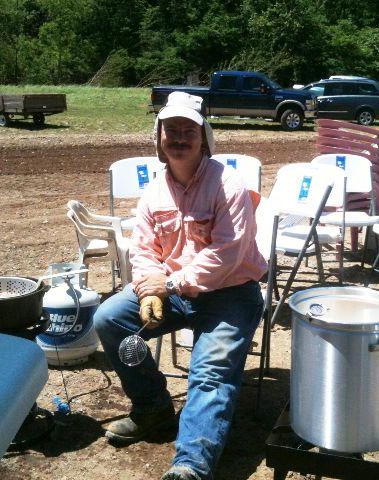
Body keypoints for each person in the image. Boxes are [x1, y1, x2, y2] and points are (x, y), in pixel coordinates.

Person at [94, 91, 267, 480]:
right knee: (109, 318)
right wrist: (148, 289)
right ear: (158, 138)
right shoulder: (154, 191)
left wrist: (167, 284)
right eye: (170, 130)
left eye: (189, 130)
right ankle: (153, 410)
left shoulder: (229, 185)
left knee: (208, 373)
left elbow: (228, 254)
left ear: (204, 137)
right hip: (173, 293)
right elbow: (142, 250)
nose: (179, 138)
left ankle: (191, 465)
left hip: (231, 295)